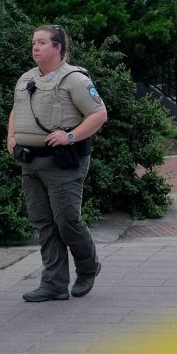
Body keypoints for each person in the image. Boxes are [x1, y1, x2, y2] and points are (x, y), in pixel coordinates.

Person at [7, 25, 108, 302]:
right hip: (30, 161)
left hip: (63, 163)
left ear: (58, 47)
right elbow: (17, 109)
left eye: (42, 42)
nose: (35, 47)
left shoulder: (74, 79)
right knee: (43, 223)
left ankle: (88, 267)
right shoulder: (26, 78)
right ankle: (54, 283)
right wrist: (11, 136)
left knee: (67, 221)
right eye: (33, 42)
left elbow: (99, 114)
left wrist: (70, 135)